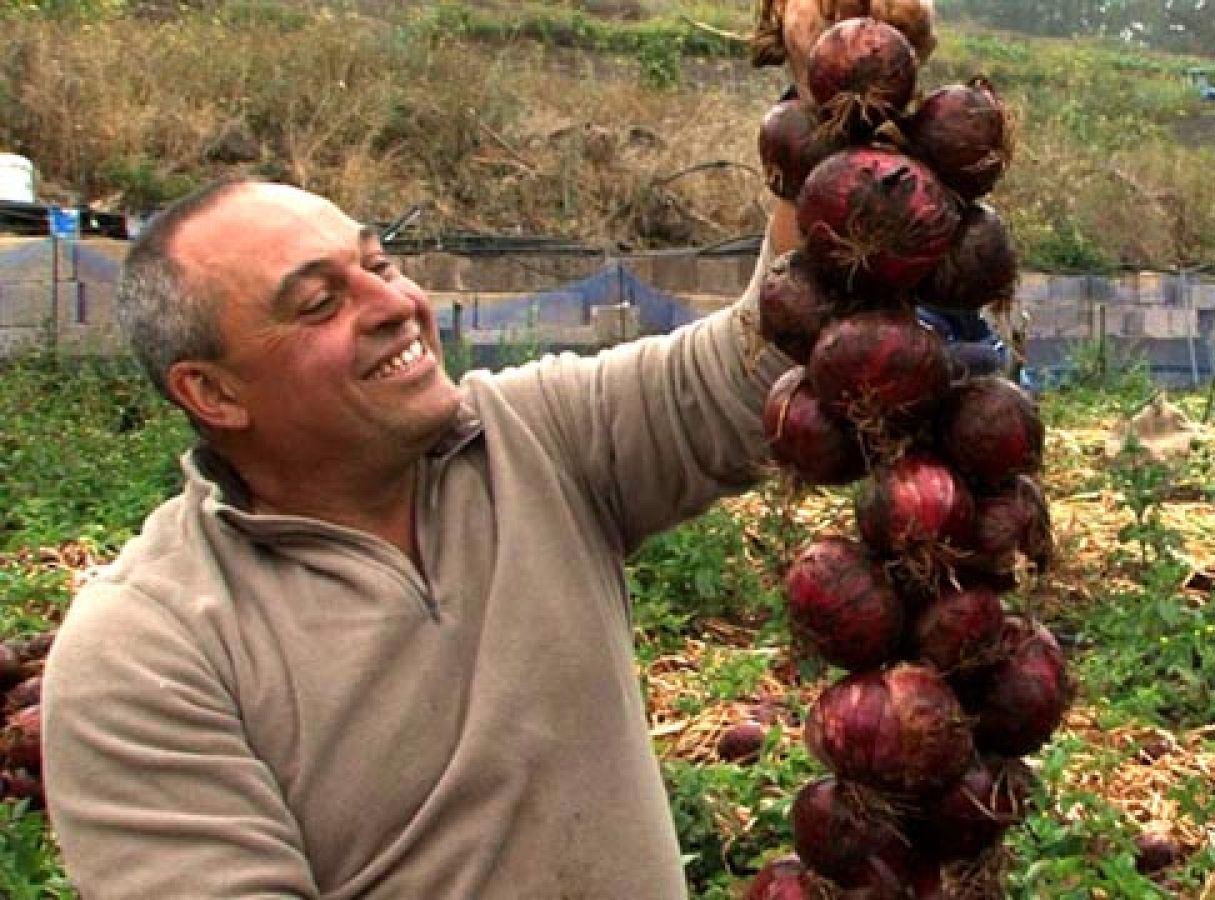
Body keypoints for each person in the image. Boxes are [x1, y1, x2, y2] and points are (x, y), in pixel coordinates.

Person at [40, 177, 797, 897]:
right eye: (317, 302)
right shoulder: (147, 651)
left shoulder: (535, 437)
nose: (395, 303)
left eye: (378, 264)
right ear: (213, 391)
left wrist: (820, 119)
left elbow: (758, 365)